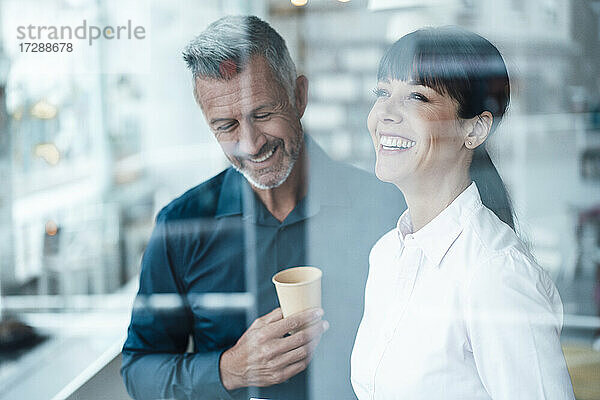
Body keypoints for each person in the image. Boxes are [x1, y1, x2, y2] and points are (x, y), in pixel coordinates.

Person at [121, 15, 405, 400]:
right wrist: (228, 370)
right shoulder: (181, 225)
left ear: (299, 96)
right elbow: (139, 370)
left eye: (264, 114)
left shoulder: (387, 208)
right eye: (226, 126)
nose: (251, 143)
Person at [350, 27, 575, 399]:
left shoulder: (496, 274)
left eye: (417, 97)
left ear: (474, 128)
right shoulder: (387, 255)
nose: (385, 113)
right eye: (383, 92)